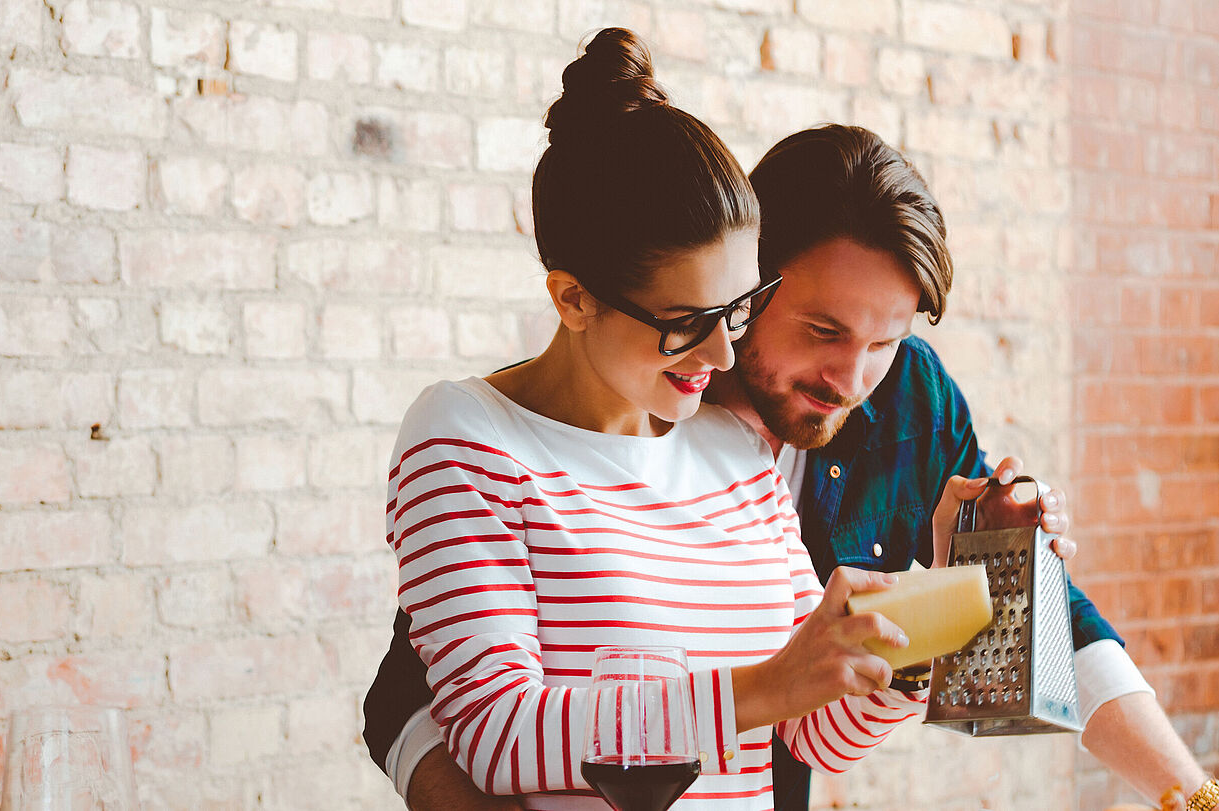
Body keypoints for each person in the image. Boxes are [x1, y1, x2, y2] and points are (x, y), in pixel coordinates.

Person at [369, 113, 1219, 810]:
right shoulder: (584, 403)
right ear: (751, 277)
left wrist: (974, 588)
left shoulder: (893, 403)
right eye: (820, 329)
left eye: (884, 340)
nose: (853, 377)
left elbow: (855, 699)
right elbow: (440, 696)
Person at [384, 29, 997, 811]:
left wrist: (910, 645)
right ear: (573, 298)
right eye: (686, 319)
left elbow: (812, 735)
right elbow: (498, 731)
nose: (721, 351)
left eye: (738, 310)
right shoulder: (470, 438)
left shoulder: (735, 449)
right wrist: (766, 685)